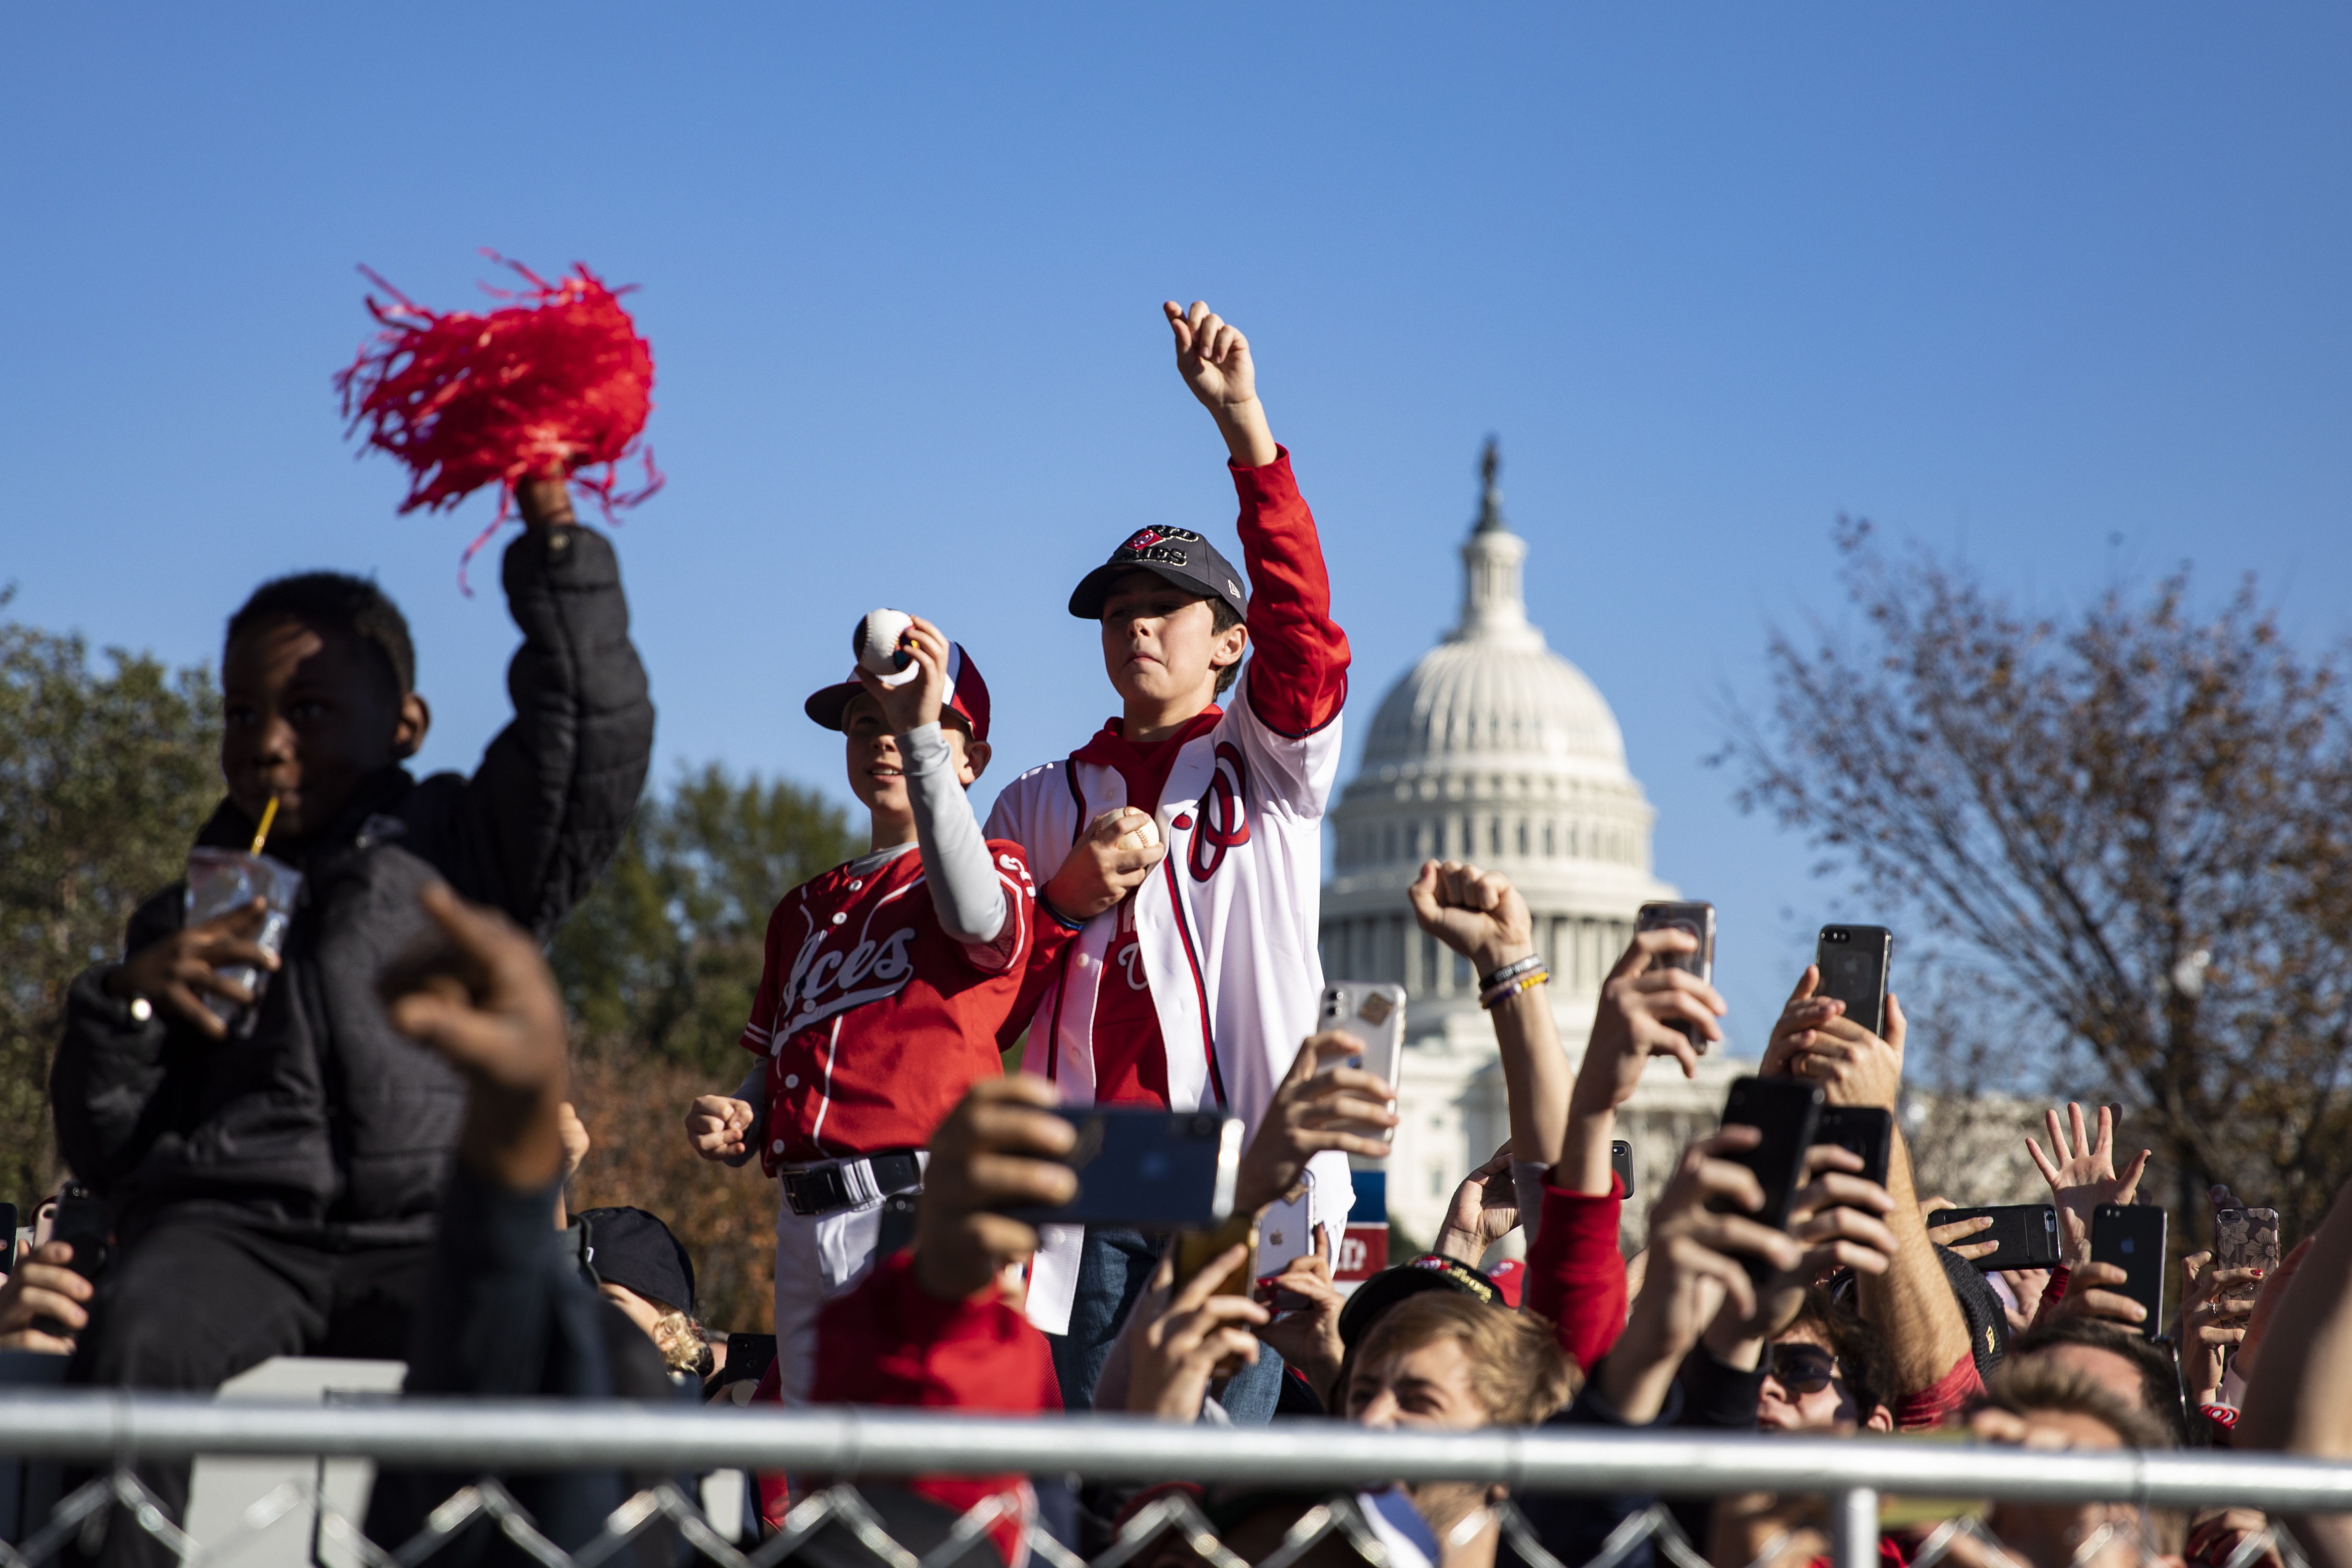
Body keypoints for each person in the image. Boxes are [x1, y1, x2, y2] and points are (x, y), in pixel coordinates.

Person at [50, 476, 652, 1566]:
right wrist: (131, 1001)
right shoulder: (180, 915)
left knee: (611, 1359)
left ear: (405, 723)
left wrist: (557, 547)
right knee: (136, 1339)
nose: (267, 743)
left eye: (309, 711)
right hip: (237, 1233)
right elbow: (108, 1146)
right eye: (241, 713)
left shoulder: (470, 848)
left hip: (437, 1224)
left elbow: (588, 741)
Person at [983, 300, 1351, 1405]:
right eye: (1119, 611)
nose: (1138, 626)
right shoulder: (1040, 801)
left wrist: (1244, 428)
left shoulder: (1272, 760)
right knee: (1107, 1472)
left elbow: (1308, 632)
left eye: (1170, 609)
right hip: (1090, 1179)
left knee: (1212, 1480)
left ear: (1230, 643)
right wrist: (1060, 901)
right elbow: (970, 996)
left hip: (1248, 1168)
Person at [682, 619, 1044, 1401]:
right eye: (865, 724)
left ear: (971, 760)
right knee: (820, 1470)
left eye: (917, 722)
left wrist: (922, 744)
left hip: (921, 1208)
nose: (887, 740)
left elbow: (980, 920)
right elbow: (777, 1056)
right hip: (804, 1215)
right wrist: (747, 1110)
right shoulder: (805, 906)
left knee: (922, 1447)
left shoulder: (999, 867)